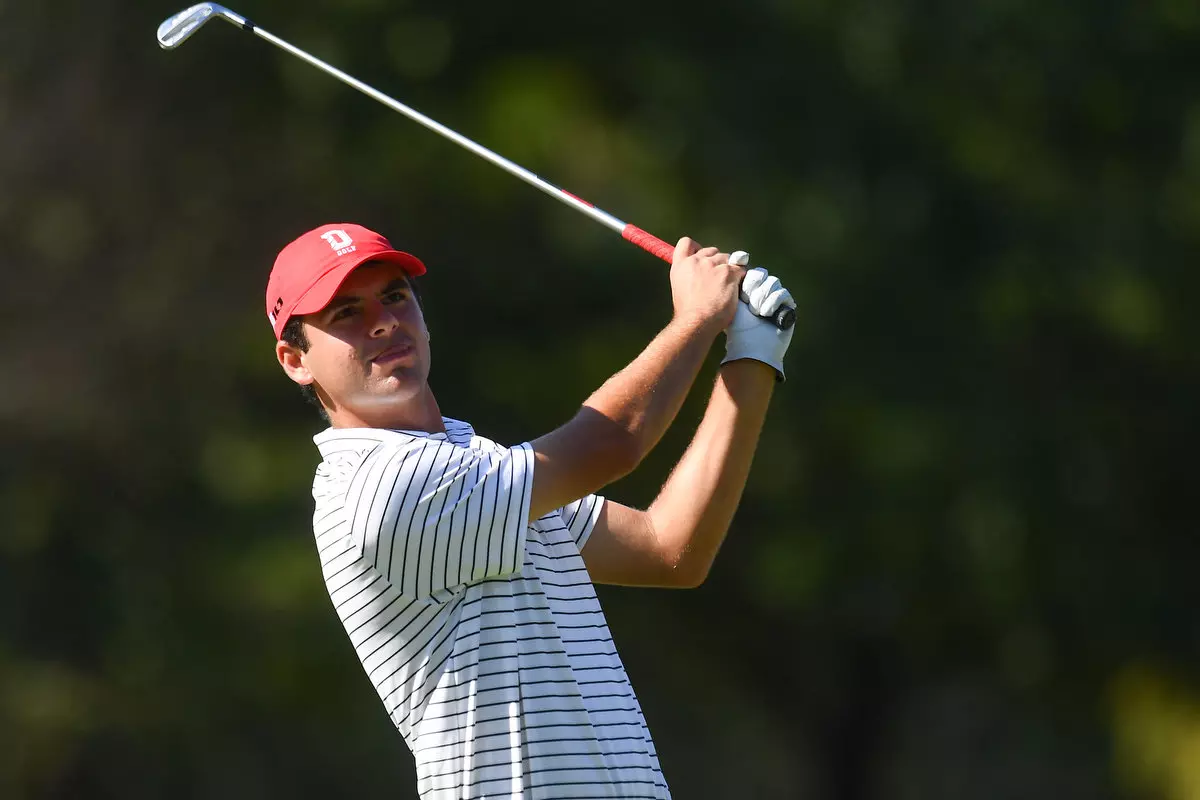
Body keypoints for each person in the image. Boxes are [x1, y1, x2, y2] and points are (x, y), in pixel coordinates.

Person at [268, 222, 794, 799]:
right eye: (346, 313)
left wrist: (753, 353)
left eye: (394, 296)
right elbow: (611, 445)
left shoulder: (481, 469)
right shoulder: (376, 489)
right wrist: (696, 318)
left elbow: (668, 549)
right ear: (296, 360)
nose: (384, 320)